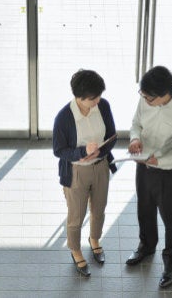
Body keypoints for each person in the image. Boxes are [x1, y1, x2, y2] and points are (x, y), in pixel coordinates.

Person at [125, 66, 172, 288]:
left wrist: (159, 162)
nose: (144, 100)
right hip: (144, 166)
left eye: (149, 97)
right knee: (144, 209)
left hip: (170, 174)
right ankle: (146, 247)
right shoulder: (145, 99)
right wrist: (134, 139)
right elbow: (136, 124)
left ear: (165, 93)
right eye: (143, 95)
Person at [53, 69, 117, 277]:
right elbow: (59, 150)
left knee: (99, 208)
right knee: (76, 216)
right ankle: (75, 250)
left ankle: (95, 239)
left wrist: (101, 151)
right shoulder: (63, 118)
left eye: (99, 95)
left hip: (100, 167)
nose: (98, 100)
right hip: (77, 172)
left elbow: (112, 136)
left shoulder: (103, 106)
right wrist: (83, 152)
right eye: (93, 98)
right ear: (79, 97)